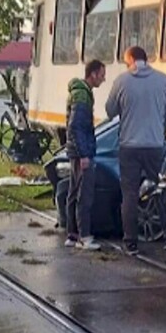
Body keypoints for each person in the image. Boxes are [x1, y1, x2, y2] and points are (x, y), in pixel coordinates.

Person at [105, 46, 166, 256]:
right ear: (146, 59)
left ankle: (131, 242)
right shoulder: (163, 80)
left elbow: (110, 111)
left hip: (129, 146)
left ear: (130, 60)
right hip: (155, 145)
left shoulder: (121, 81)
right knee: (161, 189)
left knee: (129, 193)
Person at [64, 59, 107, 251]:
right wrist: (84, 154)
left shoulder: (80, 92)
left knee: (73, 193)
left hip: (75, 150)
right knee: (84, 194)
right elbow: (77, 125)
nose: (104, 79)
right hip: (82, 151)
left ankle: (72, 235)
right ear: (93, 74)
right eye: (102, 75)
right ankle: (84, 236)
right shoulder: (82, 95)